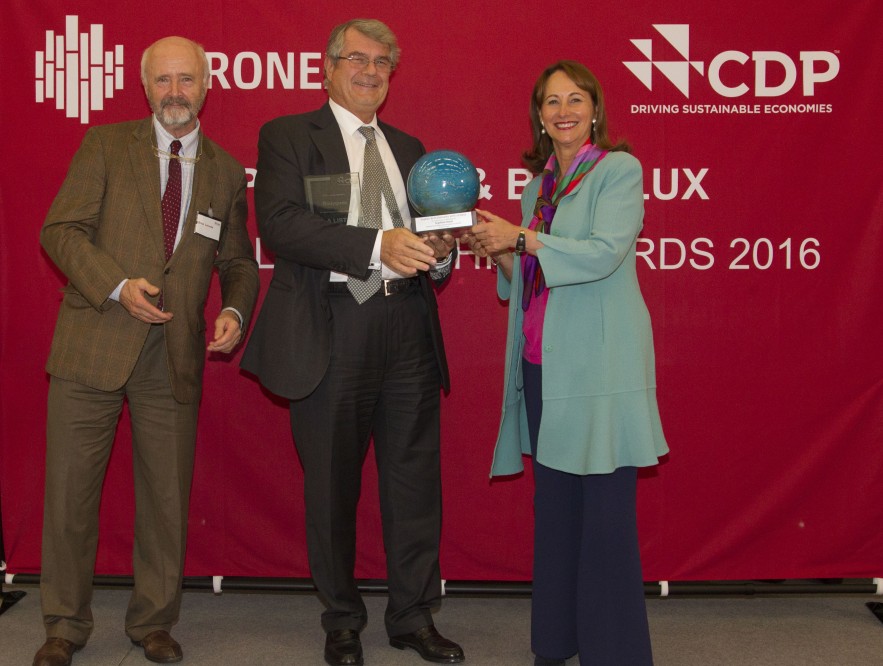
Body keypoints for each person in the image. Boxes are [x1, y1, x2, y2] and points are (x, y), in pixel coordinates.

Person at [240, 18, 463, 666]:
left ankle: (413, 617)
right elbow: (280, 225)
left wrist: (440, 252)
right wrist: (376, 245)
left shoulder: (408, 144)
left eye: (381, 63)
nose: (369, 71)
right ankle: (341, 621)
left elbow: (426, 241)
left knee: (414, 482)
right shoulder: (288, 136)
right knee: (331, 488)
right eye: (356, 59)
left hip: (407, 327)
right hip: (331, 326)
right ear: (329, 67)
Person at [33, 36, 259, 666]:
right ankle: (63, 625)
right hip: (92, 342)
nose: (175, 93)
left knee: (167, 499)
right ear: (145, 87)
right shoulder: (105, 145)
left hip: (175, 354)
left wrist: (236, 310)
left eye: (186, 80)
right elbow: (60, 230)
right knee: (71, 495)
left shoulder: (223, 168)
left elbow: (239, 262)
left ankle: (153, 622)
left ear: (207, 86)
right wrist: (114, 284)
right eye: (163, 81)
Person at [463, 60, 668, 665]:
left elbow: (602, 255)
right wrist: (497, 250)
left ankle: (617, 655)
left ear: (595, 109)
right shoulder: (537, 187)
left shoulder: (618, 171)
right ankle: (555, 646)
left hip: (599, 370)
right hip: (542, 366)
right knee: (555, 518)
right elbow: (527, 277)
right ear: (540, 117)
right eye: (551, 103)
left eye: (574, 99)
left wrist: (520, 238)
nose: (563, 111)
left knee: (605, 522)